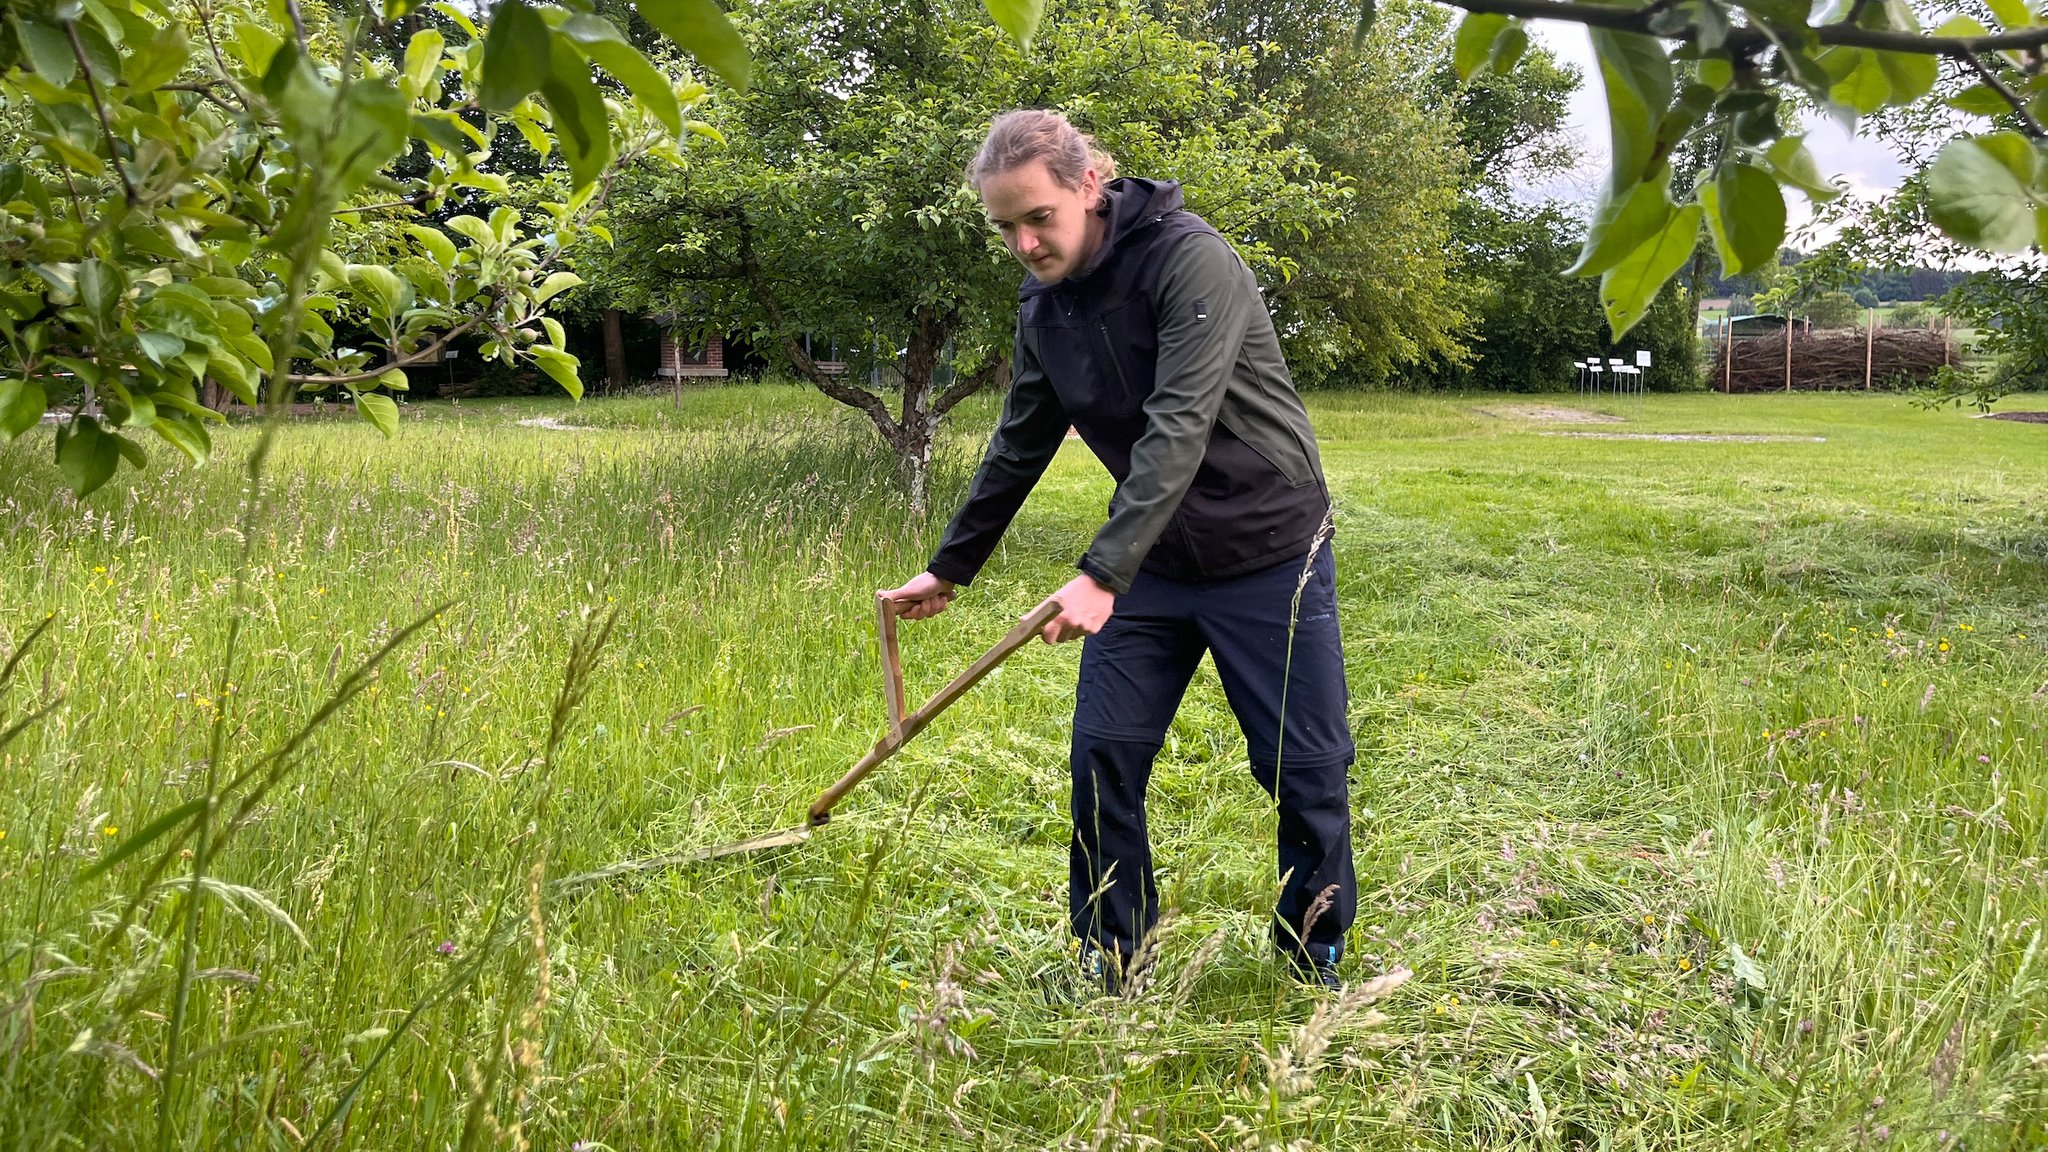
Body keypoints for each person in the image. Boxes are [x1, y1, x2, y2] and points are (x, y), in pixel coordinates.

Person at [882, 109, 1356, 991]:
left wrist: (1100, 573)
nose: (1024, 243)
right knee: (1103, 753)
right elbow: (1022, 437)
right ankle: (1111, 958)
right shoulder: (1044, 300)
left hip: (1266, 547)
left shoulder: (1189, 261)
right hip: (1155, 565)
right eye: (1005, 228)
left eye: (1038, 218)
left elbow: (1179, 427)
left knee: (1305, 767)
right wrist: (952, 565)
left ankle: (1312, 951)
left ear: (1088, 187)